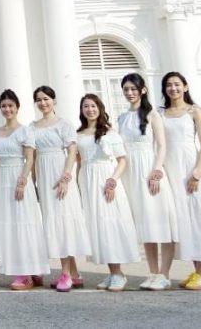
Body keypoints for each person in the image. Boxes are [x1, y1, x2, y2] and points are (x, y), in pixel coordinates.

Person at [117, 73, 179, 291]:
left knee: (161, 220)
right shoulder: (122, 118)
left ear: (142, 90)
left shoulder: (153, 115)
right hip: (131, 173)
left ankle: (165, 273)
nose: (130, 93)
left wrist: (156, 171)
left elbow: (162, 146)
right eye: (126, 89)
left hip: (149, 170)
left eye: (134, 89)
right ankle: (153, 272)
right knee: (145, 225)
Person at [160, 71, 201, 290]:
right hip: (170, 167)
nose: (172, 88)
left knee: (198, 217)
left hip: (189, 165)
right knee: (179, 218)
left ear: (185, 87)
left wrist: (197, 171)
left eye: (176, 84)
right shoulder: (162, 113)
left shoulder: (195, 111)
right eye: (168, 85)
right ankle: (193, 271)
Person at [77, 94, 140, 292]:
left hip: (106, 179)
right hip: (87, 179)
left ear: (100, 108)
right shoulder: (78, 134)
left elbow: (122, 160)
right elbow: (78, 161)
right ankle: (112, 272)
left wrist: (112, 181)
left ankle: (118, 273)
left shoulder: (110, 133)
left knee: (110, 223)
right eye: (86, 106)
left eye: (93, 106)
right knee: (98, 226)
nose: (90, 109)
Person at [31, 86, 91, 292]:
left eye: (46, 99)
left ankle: (65, 273)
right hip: (43, 175)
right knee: (53, 221)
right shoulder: (33, 126)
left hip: (60, 175)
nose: (43, 103)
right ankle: (74, 274)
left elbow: (72, 151)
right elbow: (32, 156)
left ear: (54, 101)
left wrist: (66, 177)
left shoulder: (64, 124)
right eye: (38, 100)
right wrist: (32, 180)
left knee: (64, 220)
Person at [0, 89, 49, 290]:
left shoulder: (26, 130)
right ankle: (23, 269)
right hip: (2, 180)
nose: (7, 109)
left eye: (10, 106)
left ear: (17, 107)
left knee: (24, 223)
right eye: (4, 106)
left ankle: (29, 271)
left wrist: (23, 181)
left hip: (19, 177)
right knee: (9, 225)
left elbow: (30, 158)